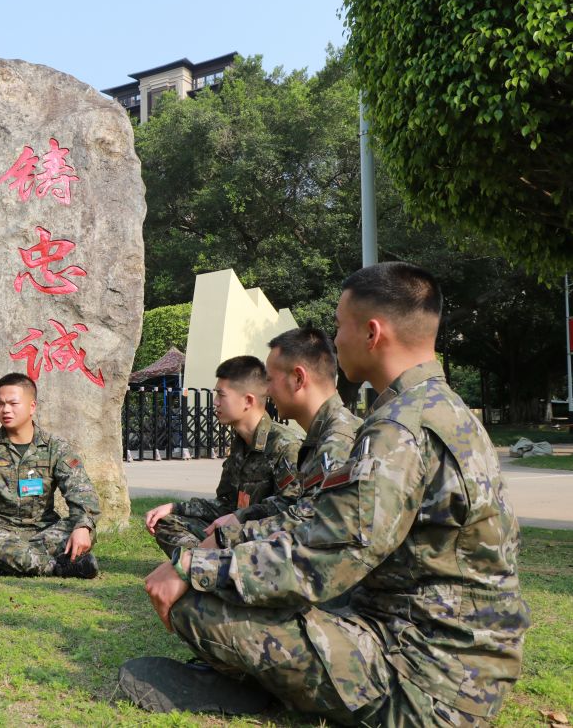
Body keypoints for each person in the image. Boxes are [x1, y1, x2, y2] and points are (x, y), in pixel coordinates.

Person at [124, 262, 530, 725]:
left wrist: (192, 566)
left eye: (339, 326)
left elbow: (323, 558)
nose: (335, 342)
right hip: (458, 660)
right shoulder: (443, 410)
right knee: (251, 589)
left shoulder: (400, 429)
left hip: (425, 682)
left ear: (372, 332)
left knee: (194, 600)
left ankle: (252, 687)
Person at [204, 327, 361, 549]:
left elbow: (311, 524)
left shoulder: (337, 440)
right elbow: (294, 505)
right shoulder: (322, 436)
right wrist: (239, 518)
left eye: (269, 380)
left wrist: (226, 537)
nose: (265, 391)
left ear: (298, 378)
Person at [143, 356, 303, 557]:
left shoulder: (286, 446)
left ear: (248, 401)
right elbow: (225, 505)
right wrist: (174, 507)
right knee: (166, 522)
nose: (215, 402)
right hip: (235, 534)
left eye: (221, 395)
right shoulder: (239, 445)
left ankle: (201, 563)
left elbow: (292, 508)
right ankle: (206, 562)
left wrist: (239, 517)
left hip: (266, 538)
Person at [0, 372, 101, 579]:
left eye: (13, 403)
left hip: (43, 531)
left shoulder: (56, 448)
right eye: (0, 404)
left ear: (32, 407)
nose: (6, 410)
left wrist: (83, 525)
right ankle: (56, 567)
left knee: (84, 529)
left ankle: (0, 564)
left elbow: (81, 492)